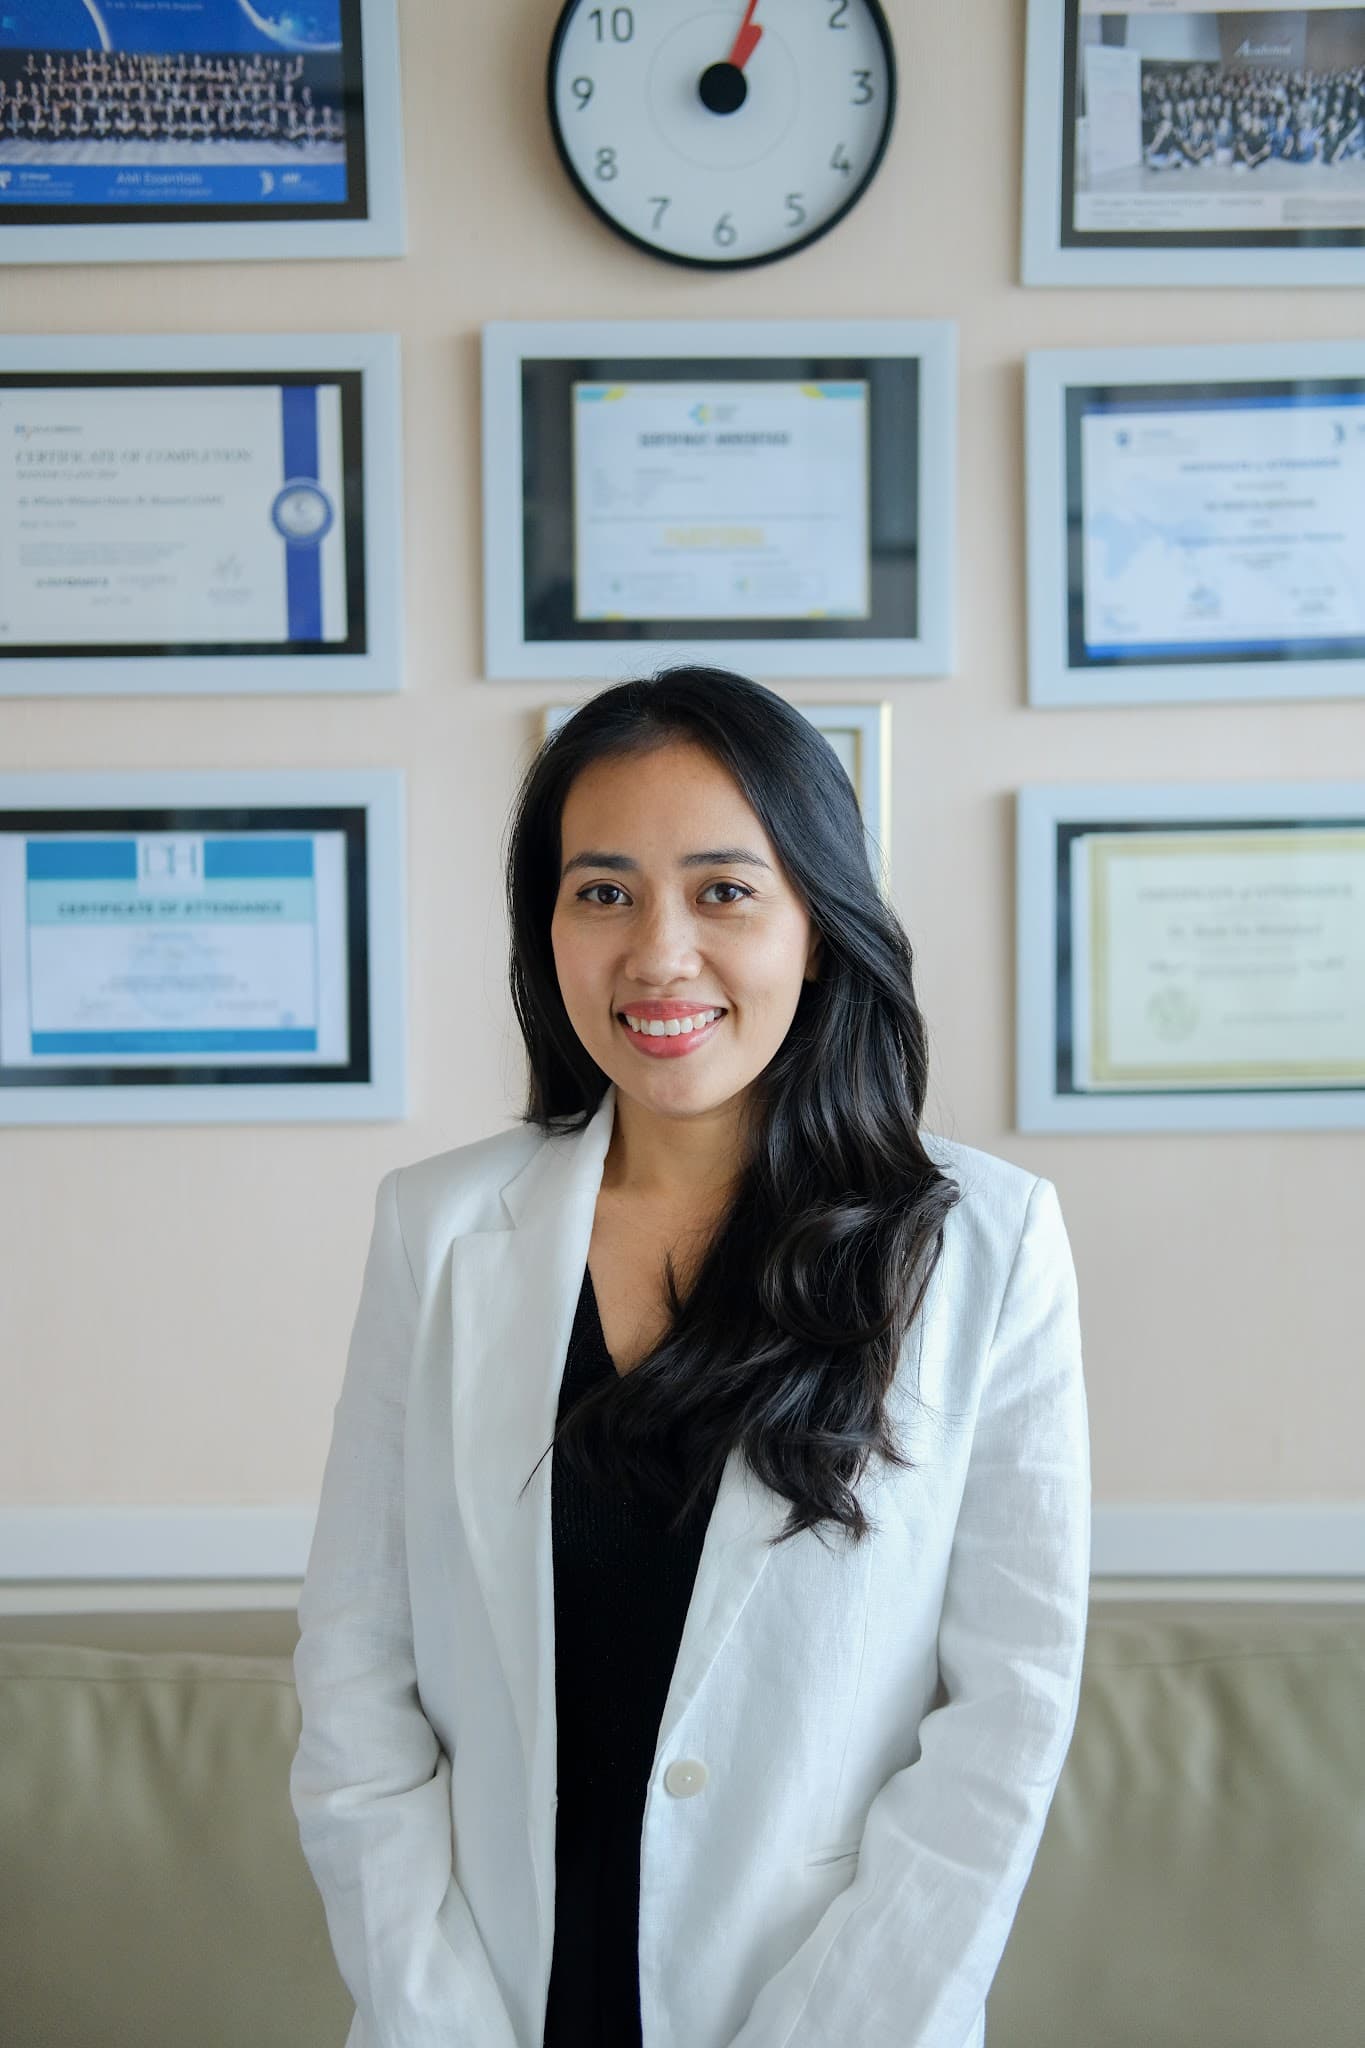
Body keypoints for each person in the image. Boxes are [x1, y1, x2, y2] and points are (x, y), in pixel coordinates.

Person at [289, 667, 1092, 2048]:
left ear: (817, 929)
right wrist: (435, 2017)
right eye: (601, 891)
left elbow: (1001, 1723)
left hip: (819, 2009)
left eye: (723, 890)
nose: (657, 955)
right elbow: (357, 1671)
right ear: (545, 926)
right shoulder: (436, 1229)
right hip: (486, 2003)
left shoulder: (984, 1245)